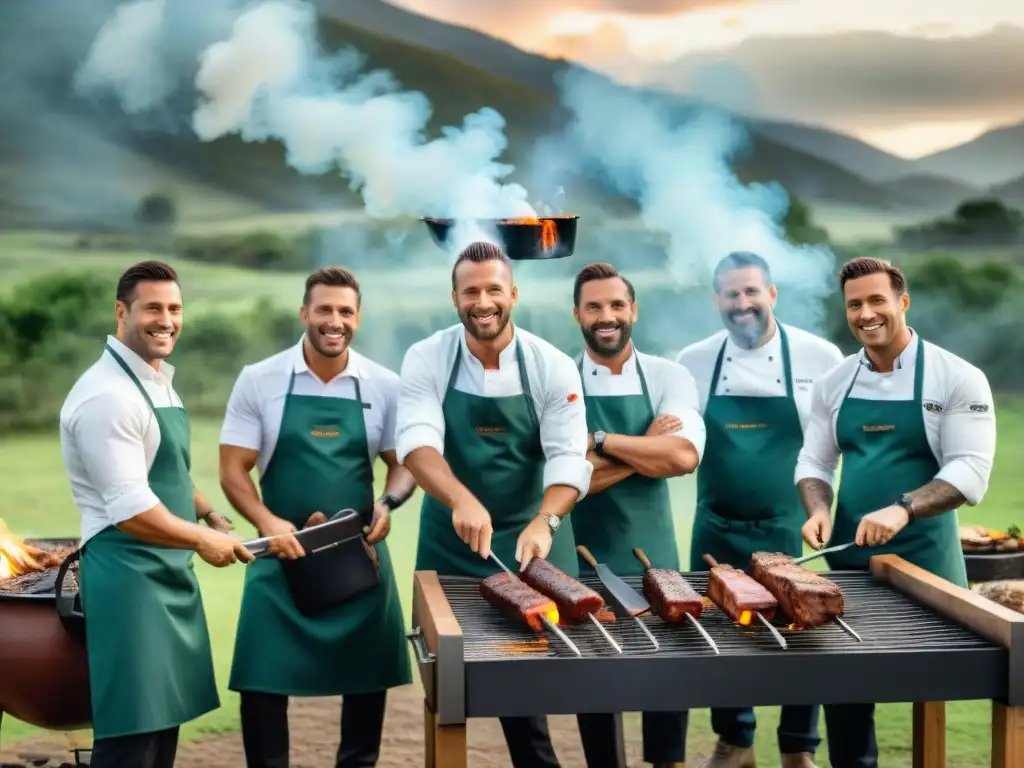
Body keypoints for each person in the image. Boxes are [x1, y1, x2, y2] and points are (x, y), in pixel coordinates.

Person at [396, 241, 592, 768]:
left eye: (493, 290)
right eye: (471, 292)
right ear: (455, 297)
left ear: (513, 294)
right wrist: (460, 499)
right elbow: (416, 443)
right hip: (451, 542)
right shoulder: (427, 356)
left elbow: (569, 457)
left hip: (533, 547)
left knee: (526, 687)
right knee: (448, 682)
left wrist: (546, 520)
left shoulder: (550, 365)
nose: (482, 301)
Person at [795, 256, 996, 768]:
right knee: (845, 693)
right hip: (851, 567)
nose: (866, 313)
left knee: (929, 691)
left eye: (877, 300)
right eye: (855, 304)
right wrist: (819, 508)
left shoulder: (957, 377)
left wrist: (904, 508)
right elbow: (815, 460)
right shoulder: (833, 382)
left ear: (902, 302)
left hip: (928, 564)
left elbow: (970, 471)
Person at [59, 260, 253, 768]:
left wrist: (208, 512)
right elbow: (130, 511)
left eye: (174, 308)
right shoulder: (108, 396)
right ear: (122, 312)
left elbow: (161, 470)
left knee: (162, 730)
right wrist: (201, 541)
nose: (166, 319)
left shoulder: (155, 380)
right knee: (131, 736)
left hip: (165, 574)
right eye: (152, 308)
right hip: (128, 580)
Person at [220, 267, 416, 768]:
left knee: (366, 685)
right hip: (278, 558)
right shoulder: (259, 380)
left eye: (345, 311)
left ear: (358, 318)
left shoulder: (385, 385)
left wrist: (387, 505)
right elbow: (233, 470)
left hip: (359, 557)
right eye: (324, 309)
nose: (335, 321)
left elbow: (404, 466)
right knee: (262, 684)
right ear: (305, 312)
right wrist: (267, 521)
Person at [676, 251, 844, 768]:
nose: (742, 303)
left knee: (806, 635)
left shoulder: (820, 357)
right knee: (719, 637)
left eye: (752, 292)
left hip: (791, 527)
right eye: (731, 294)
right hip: (716, 526)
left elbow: (831, 445)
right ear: (716, 301)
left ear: (772, 294)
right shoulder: (695, 360)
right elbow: (680, 437)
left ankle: (797, 748)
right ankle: (736, 740)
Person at [568, 263, 705, 768]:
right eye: (594, 307)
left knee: (666, 682)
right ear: (577, 314)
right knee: (595, 686)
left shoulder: (670, 375)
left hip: (656, 559)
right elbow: (567, 481)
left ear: (633, 311)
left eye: (616, 305)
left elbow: (682, 458)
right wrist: (646, 447)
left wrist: (602, 443)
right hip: (578, 561)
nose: (607, 316)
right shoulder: (560, 378)